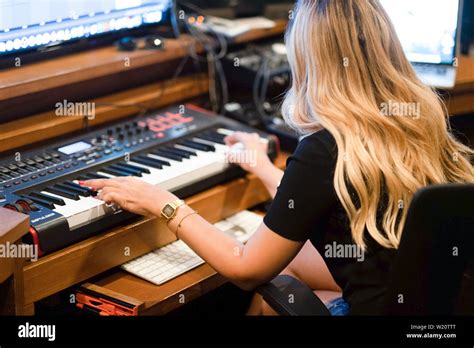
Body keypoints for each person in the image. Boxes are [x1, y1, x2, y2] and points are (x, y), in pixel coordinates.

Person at [81, 0, 473, 315]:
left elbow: (246, 269)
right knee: (287, 263)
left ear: (308, 56)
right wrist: (266, 169)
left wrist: (163, 203)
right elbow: (319, 197)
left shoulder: (325, 146)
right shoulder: (419, 116)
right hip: (424, 303)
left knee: (269, 278)